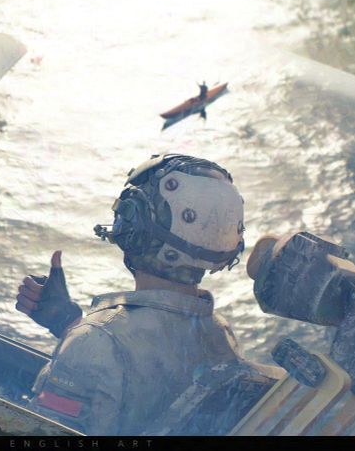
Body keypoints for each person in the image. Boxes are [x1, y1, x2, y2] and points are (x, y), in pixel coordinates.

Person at [15, 153, 281, 434]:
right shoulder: (218, 333)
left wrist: (84, 338)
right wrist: (68, 323)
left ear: (136, 229)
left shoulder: (96, 343)